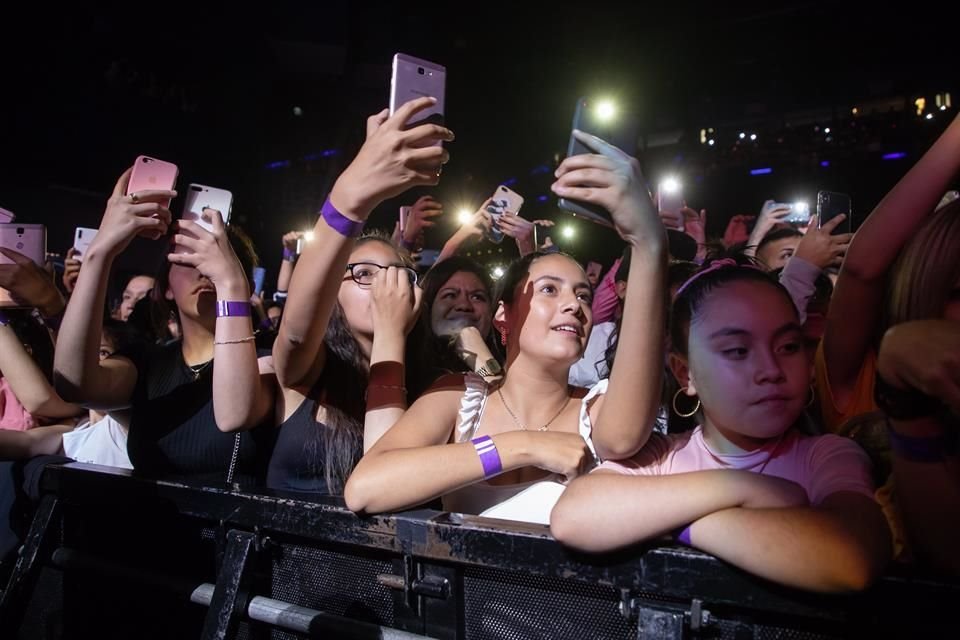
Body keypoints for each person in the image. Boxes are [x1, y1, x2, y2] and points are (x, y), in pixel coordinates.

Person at [345, 130, 668, 523]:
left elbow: (623, 438)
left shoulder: (596, 409)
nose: (573, 305)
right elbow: (366, 489)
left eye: (583, 295)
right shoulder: (459, 398)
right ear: (503, 315)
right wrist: (522, 446)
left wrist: (648, 241)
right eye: (550, 289)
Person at [551, 256, 892, 593]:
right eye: (738, 351)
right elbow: (574, 517)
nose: (771, 369)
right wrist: (745, 487)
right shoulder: (662, 455)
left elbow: (850, 559)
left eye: (788, 346)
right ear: (686, 373)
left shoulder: (827, 456)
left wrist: (678, 524)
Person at [53, 168, 275, 485]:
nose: (202, 269)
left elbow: (237, 413)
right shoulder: (148, 364)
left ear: (245, 282)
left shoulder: (268, 359)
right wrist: (100, 254)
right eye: (186, 260)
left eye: (217, 258)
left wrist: (229, 284)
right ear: (166, 287)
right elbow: (74, 384)